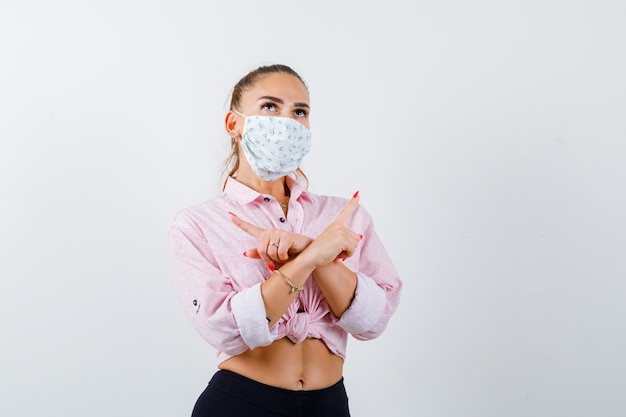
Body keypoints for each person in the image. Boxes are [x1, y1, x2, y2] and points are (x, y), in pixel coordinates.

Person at [169, 64, 402, 417]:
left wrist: (311, 248)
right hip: (239, 405)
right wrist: (309, 258)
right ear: (234, 124)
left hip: (330, 406)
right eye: (269, 107)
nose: (287, 121)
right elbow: (225, 330)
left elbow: (373, 321)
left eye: (299, 111)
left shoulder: (344, 215)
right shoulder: (197, 224)